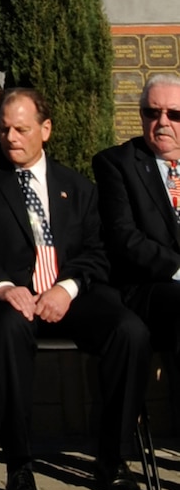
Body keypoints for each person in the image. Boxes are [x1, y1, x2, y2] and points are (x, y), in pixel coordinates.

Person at [0, 84, 151, 490]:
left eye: (21, 129)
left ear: (46, 129)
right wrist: (4, 286)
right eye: (3, 129)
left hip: (65, 295)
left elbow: (97, 252)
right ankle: (19, 467)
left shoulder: (76, 186)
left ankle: (113, 459)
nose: (10, 138)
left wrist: (66, 288)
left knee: (129, 331)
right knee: (8, 328)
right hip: (5, 298)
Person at [94, 72, 180, 367]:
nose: (163, 122)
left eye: (175, 114)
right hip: (148, 286)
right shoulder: (116, 163)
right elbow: (124, 237)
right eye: (152, 112)